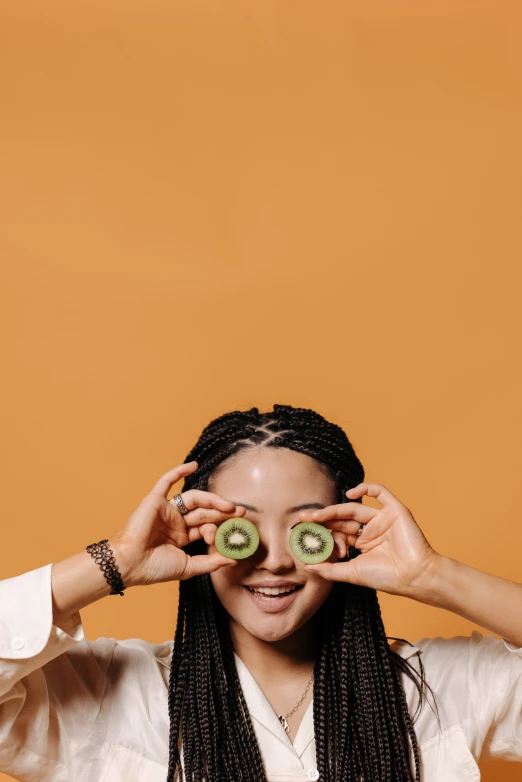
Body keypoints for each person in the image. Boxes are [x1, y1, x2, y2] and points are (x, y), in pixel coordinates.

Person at [0, 404, 520, 782]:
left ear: (344, 535)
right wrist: (114, 562)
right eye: (242, 529)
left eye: (303, 530)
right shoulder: (110, 698)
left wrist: (433, 575)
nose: (273, 560)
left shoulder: (437, 690)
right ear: (202, 534)